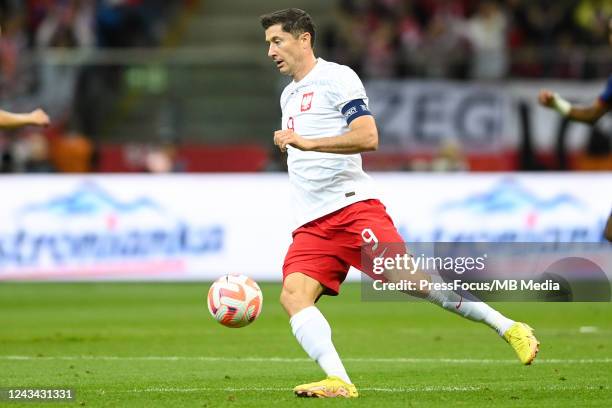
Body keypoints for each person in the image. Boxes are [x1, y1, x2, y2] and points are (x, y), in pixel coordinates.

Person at [261, 8, 539, 399]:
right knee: (293, 296)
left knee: (411, 281)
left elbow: (368, 136)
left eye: (277, 41)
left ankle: (508, 326)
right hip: (311, 223)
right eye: (268, 43)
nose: (271, 51)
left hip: (353, 209)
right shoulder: (289, 94)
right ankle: (339, 380)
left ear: (304, 38)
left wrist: (308, 142)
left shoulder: (337, 78)